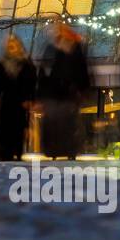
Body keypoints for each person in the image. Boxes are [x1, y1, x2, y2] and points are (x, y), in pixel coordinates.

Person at [38, 21, 91, 159]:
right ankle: (56, 151)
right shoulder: (52, 49)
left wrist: (82, 88)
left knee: (68, 123)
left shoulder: (75, 49)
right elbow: (44, 72)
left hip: (68, 93)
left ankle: (69, 151)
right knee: (55, 123)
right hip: (54, 93)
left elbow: (82, 70)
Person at [0, 34, 37, 161]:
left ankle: (17, 155)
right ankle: (6, 156)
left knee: (18, 133)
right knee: (4, 134)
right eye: (9, 45)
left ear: (19, 46)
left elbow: (31, 84)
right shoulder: (1, 64)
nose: (12, 47)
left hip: (20, 105)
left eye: (14, 45)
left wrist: (30, 99)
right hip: (5, 104)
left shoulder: (26, 64)